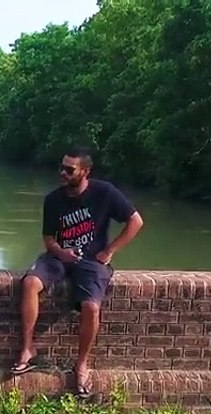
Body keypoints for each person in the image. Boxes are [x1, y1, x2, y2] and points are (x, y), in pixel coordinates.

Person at [11, 147, 144, 398]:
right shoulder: (53, 199)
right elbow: (49, 239)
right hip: (59, 258)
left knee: (91, 307)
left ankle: (82, 364)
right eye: (61, 168)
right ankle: (28, 348)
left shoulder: (104, 193)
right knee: (30, 283)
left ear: (85, 171)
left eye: (69, 170)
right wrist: (61, 253)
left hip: (92, 261)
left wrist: (110, 251)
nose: (62, 173)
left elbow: (135, 221)